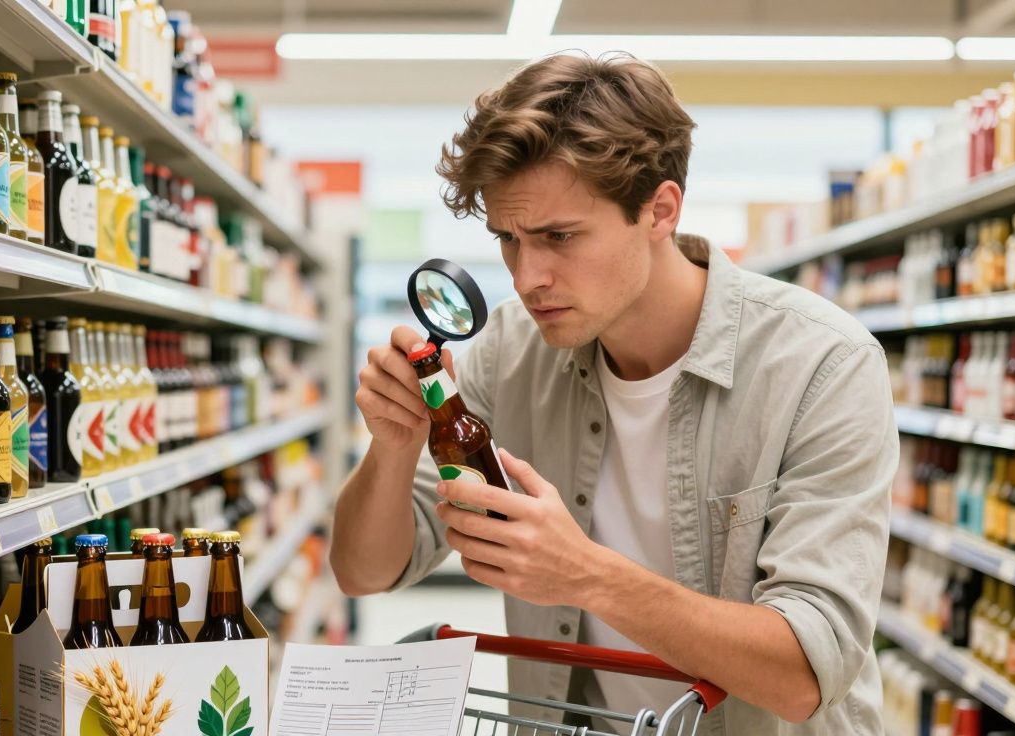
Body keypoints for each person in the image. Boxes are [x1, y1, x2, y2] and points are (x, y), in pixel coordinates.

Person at [330, 51, 895, 735]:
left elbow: (809, 673)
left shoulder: (821, 366)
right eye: (508, 239)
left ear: (660, 210)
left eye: (559, 237)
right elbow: (363, 571)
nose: (527, 276)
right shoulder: (512, 351)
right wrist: (392, 449)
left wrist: (585, 574)